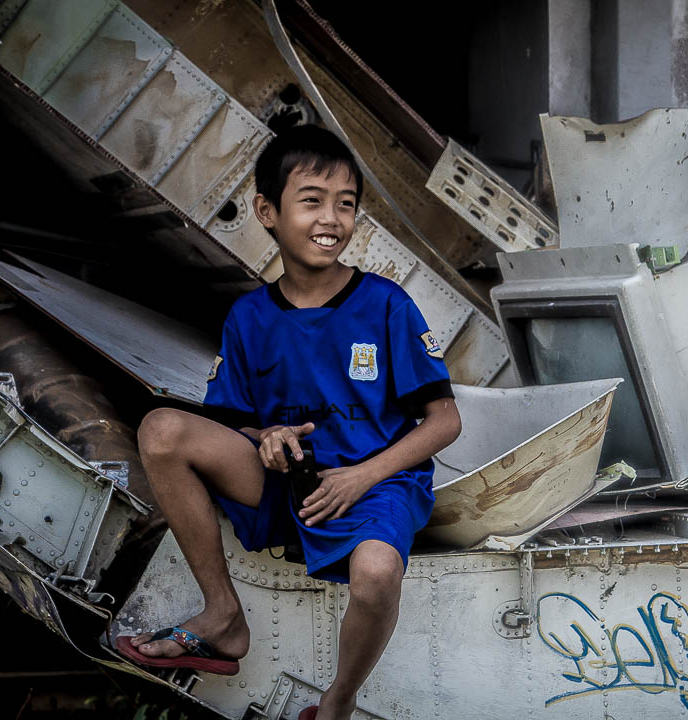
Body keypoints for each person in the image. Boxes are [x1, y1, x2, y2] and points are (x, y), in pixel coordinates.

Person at [115, 125, 461, 720]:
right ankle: (222, 616)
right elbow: (234, 423)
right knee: (162, 430)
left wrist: (360, 477)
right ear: (266, 211)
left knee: (377, 572)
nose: (331, 218)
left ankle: (338, 702)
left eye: (345, 204)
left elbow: (444, 419)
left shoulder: (385, 305)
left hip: (373, 485)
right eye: (312, 201)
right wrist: (266, 437)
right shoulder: (249, 317)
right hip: (287, 483)